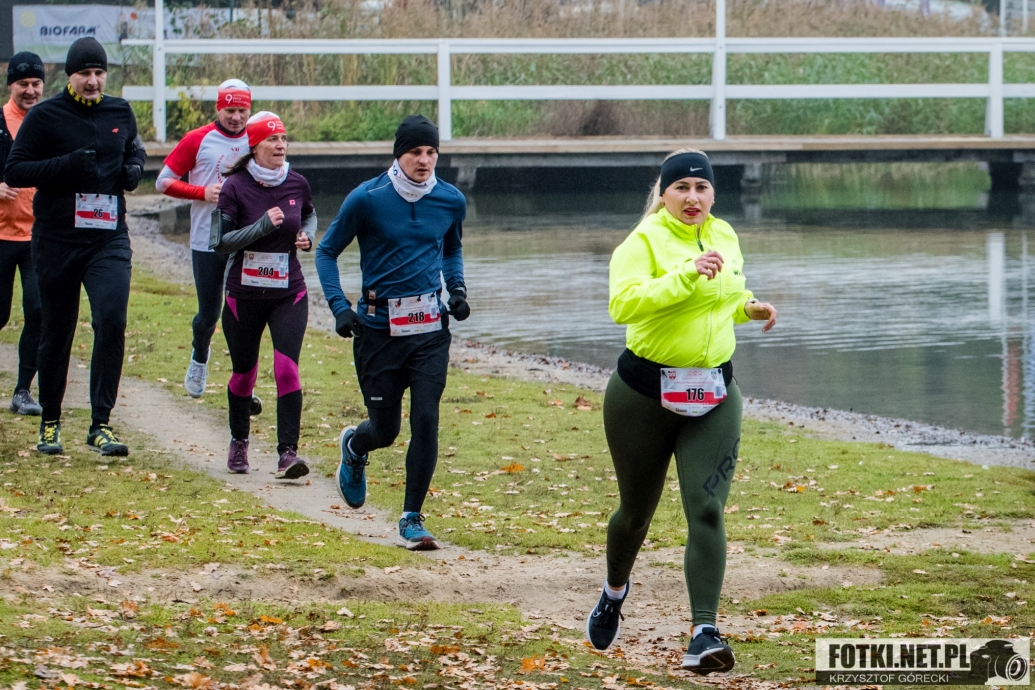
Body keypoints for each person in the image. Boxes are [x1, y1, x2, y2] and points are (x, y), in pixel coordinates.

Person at [584, 149, 777, 674]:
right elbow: (623, 305)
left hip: (714, 391)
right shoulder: (642, 241)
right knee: (635, 514)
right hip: (643, 395)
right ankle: (614, 592)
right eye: (682, 188)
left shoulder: (726, 234)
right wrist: (687, 274)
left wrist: (749, 307)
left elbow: (725, 298)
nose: (693, 198)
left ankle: (703, 633)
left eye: (702, 188)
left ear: (713, 193)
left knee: (707, 507)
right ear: (663, 194)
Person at [315, 114, 470, 551]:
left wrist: (457, 289)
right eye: (415, 152)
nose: (424, 160)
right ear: (399, 154)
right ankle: (355, 447)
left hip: (430, 330)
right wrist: (339, 307)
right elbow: (326, 252)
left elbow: (451, 249)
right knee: (385, 431)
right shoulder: (367, 199)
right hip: (378, 331)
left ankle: (410, 519)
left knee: (426, 420)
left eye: (431, 152)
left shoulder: (450, 200)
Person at [5, 37, 145, 456]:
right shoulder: (46, 115)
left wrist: (134, 169)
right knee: (57, 330)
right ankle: (50, 422)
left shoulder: (120, 111)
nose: (93, 81)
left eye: (99, 72)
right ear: (70, 76)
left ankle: (100, 424)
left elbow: (135, 151)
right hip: (57, 240)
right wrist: (65, 165)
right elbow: (16, 169)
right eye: (85, 73)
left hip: (108, 239)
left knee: (112, 320)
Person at [211, 111, 315, 479]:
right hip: (244, 296)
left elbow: (309, 215)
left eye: (284, 138)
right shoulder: (235, 186)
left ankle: (288, 453)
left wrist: (307, 235)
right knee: (244, 375)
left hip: (289, 293)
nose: (281, 145)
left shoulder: (297, 183)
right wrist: (260, 227)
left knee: (287, 369)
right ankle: (239, 442)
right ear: (254, 146)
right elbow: (220, 243)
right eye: (272, 139)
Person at [155, 79, 260, 419]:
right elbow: (162, 181)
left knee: (243, 314)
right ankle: (200, 355)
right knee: (210, 314)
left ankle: (244, 381)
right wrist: (202, 193)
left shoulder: (256, 138)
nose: (236, 117)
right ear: (218, 108)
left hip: (246, 239)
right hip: (207, 239)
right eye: (230, 110)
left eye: (242, 110)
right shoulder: (197, 139)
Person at [0, 52, 45, 416]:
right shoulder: (0, 122)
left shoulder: (50, 121)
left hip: (38, 237)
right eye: (23, 84)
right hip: (1, 236)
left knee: (38, 310)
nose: (30, 90)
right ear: (10, 85)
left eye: (36, 84)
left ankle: (22, 392)